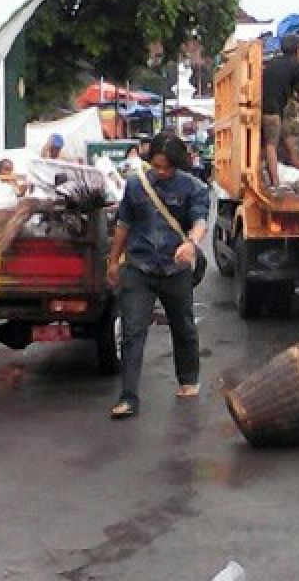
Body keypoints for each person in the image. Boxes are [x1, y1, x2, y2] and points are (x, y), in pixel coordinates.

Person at [105, 132, 210, 419]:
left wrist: (191, 243)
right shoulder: (136, 185)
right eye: (157, 166)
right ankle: (128, 397)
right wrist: (113, 261)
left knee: (183, 326)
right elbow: (123, 224)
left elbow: (200, 220)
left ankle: (188, 379)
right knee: (132, 333)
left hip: (175, 269)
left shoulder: (194, 188)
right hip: (139, 268)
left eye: (168, 167)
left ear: (179, 163)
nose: (162, 172)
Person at [261, 33, 299, 189]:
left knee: (286, 138)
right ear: (298, 49)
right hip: (272, 111)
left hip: (264, 107)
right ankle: (275, 181)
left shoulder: (272, 63)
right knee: (271, 144)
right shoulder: (298, 66)